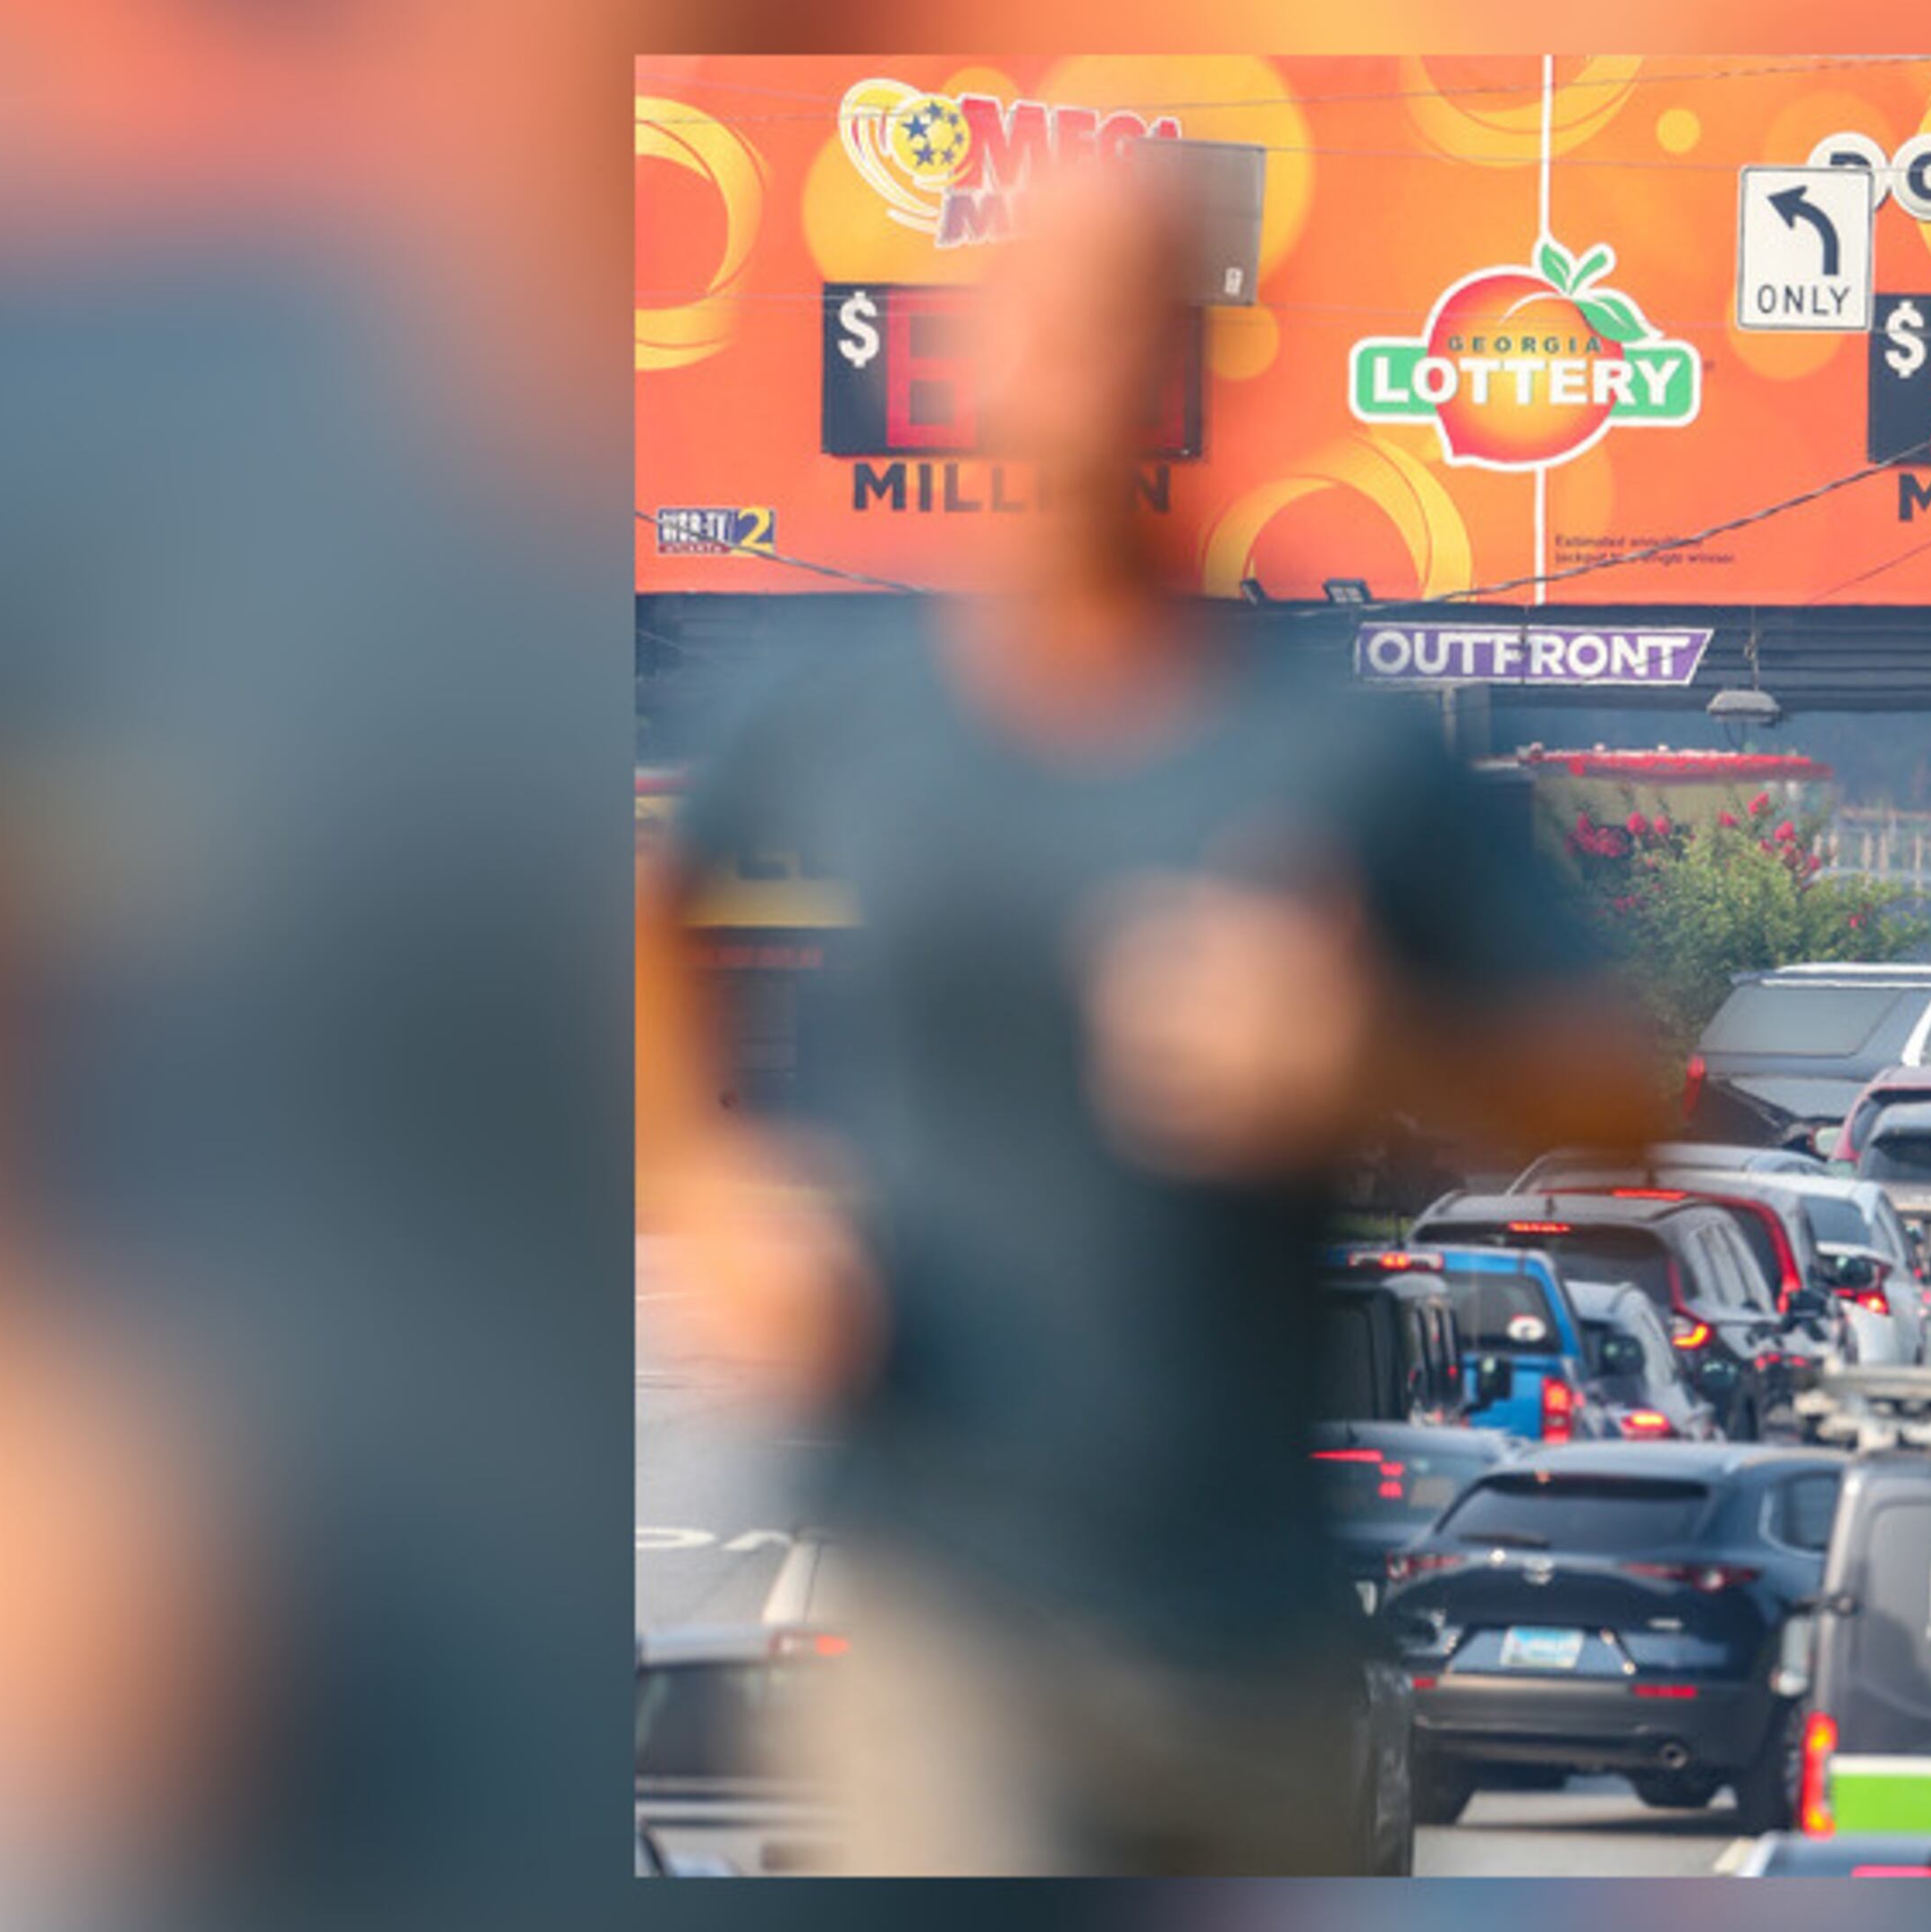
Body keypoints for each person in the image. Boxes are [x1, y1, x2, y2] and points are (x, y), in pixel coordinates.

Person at [632, 152, 1661, 1874]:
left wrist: (1371, 1057)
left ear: (1193, 358)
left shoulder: (1337, 748)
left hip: (1251, 1620)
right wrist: (705, 1194)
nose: (1079, 371)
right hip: (938, 1601)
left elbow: (1629, 1094)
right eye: (1039, 320)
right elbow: (643, 926)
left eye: (1126, 324)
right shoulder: (833, 713)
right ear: (963, 357)